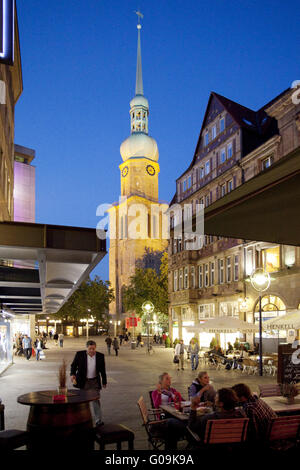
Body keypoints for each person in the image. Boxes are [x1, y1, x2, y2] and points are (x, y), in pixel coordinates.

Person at [70, 340, 107, 427]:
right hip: (83, 381)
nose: (92, 351)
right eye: (90, 349)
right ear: (86, 348)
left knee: (95, 400)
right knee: (83, 401)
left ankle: (98, 420)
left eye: (93, 349)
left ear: (95, 348)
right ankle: (82, 418)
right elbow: (73, 365)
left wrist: (104, 381)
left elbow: (103, 370)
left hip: (94, 381)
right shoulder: (79, 354)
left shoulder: (100, 356)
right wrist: (72, 374)